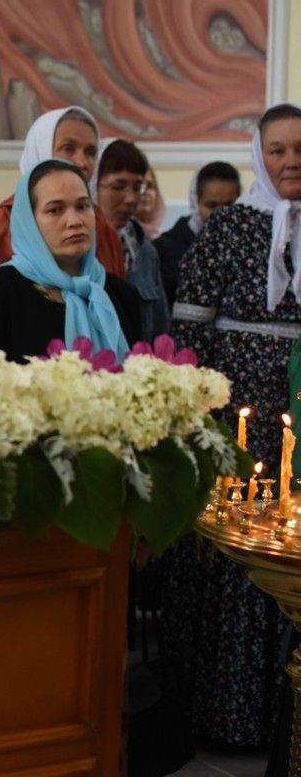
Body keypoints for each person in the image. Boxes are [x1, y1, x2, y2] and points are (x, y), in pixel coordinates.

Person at [164, 102, 301, 749]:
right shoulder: (228, 229)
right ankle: (231, 717)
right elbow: (188, 335)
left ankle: (289, 719)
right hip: (236, 425)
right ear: (259, 155)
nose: (291, 161)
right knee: (239, 553)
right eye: (278, 150)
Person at [0, 159, 140, 362]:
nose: (75, 221)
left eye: (83, 206)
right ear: (29, 221)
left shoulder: (121, 296)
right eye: (55, 210)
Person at [0, 106, 127, 324]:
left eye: (90, 152)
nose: (82, 162)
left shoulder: (101, 226)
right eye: (68, 148)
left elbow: (119, 310)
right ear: (39, 149)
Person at [91, 138, 169, 341]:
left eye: (137, 188)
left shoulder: (144, 250)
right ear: (92, 185)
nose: (131, 199)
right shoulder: (77, 248)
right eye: (118, 187)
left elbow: (160, 329)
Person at [154, 161, 241, 306]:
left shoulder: (247, 247)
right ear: (195, 203)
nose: (221, 215)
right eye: (211, 206)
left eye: (228, 206)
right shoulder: (164, 250)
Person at [134, 166, 166, 241]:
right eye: (139, 187)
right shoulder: (118, 237)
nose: (146, 192)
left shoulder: (165, 240)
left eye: (150, 186)